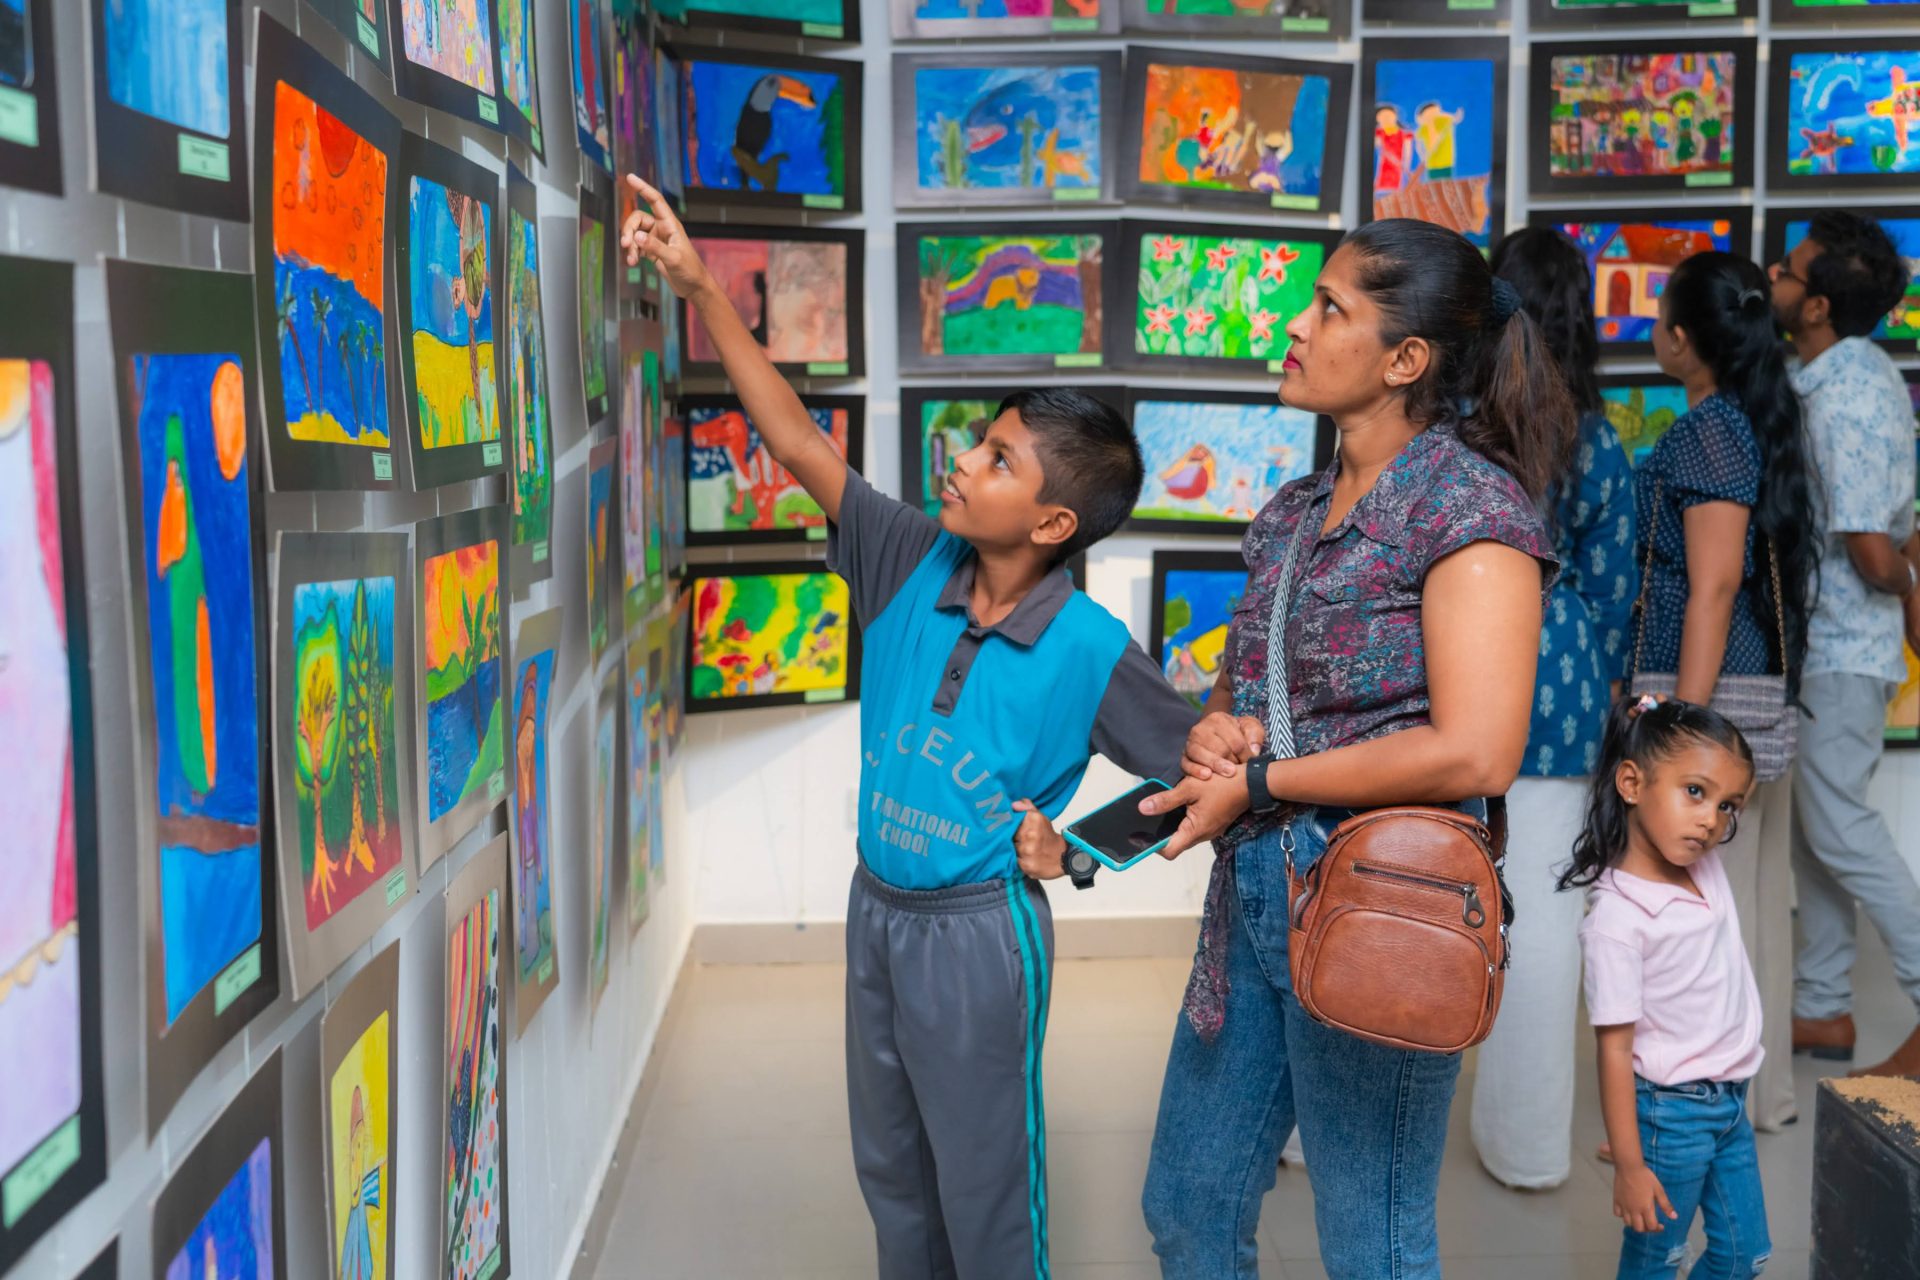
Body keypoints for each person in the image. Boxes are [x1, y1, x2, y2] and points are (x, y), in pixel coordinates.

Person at [619, 175, 1195, 1280]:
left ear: (1053, 520)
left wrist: (1075, 851)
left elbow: (1195, 771)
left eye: (996, 459)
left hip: (982, 938)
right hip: (875, 911)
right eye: (978, 443)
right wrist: (695, 282)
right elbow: (791, 438)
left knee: (984, 1182)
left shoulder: (1084, 644)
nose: (962, 461)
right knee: (891, 1168)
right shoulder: (904, 557)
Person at [1136, 219, 1569, 1277]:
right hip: (1253, 902)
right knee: (1186, 1204)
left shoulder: (1471, 511)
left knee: (1371, 1239)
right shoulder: (1288, 513)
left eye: (1330, 308)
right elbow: (1250, 691)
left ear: (1405, 359)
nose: (1296, 325)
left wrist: (1262, 779)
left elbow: (1475, 751)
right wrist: (1220, 728)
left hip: (1384, 901)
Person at [1633, 251, 1821, 1131]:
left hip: (1710, 693)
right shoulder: (1748, 421)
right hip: (1749, 691)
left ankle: (1713, 1103)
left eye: (1660, 317)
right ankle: (1754, 1099)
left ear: (1683, 337)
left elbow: (1711, 583)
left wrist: (1684, 726)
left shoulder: (1709, 431)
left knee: (1711, 911)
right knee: (1746, 906)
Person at [1469, 228, 1639, 1191]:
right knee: (1540, 931)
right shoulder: (1595, 437)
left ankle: (1322, 1130)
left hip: (1449, 670)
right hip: (1563, 682)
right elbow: (1614, 595)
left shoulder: (1458, 426)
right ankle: (1529, 1151)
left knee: (1406, 890)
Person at [1769, 212, 1920, 1077]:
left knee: (1838, 828)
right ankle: (1823, 1010)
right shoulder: (1833, 375)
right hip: (1826, 647)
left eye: (1788, 272)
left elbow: (1870, 548)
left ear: (1817, 304)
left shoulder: (1852, 390)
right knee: (1818, 836)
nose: (1775, 280)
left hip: (1846, 647)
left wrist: (1905, 583)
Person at [1567, 695, 1769, 1280]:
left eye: (1727, 805)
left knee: (1742, 1256)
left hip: (1731, 1102)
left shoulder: (1704, 865)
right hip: (1671, 1109)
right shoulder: (1617, 921)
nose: (1712, 819)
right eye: (1696, 792)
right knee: (1658, 1263)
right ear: (1631, 783)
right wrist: (1630, 1160)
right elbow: (1614, 1048)